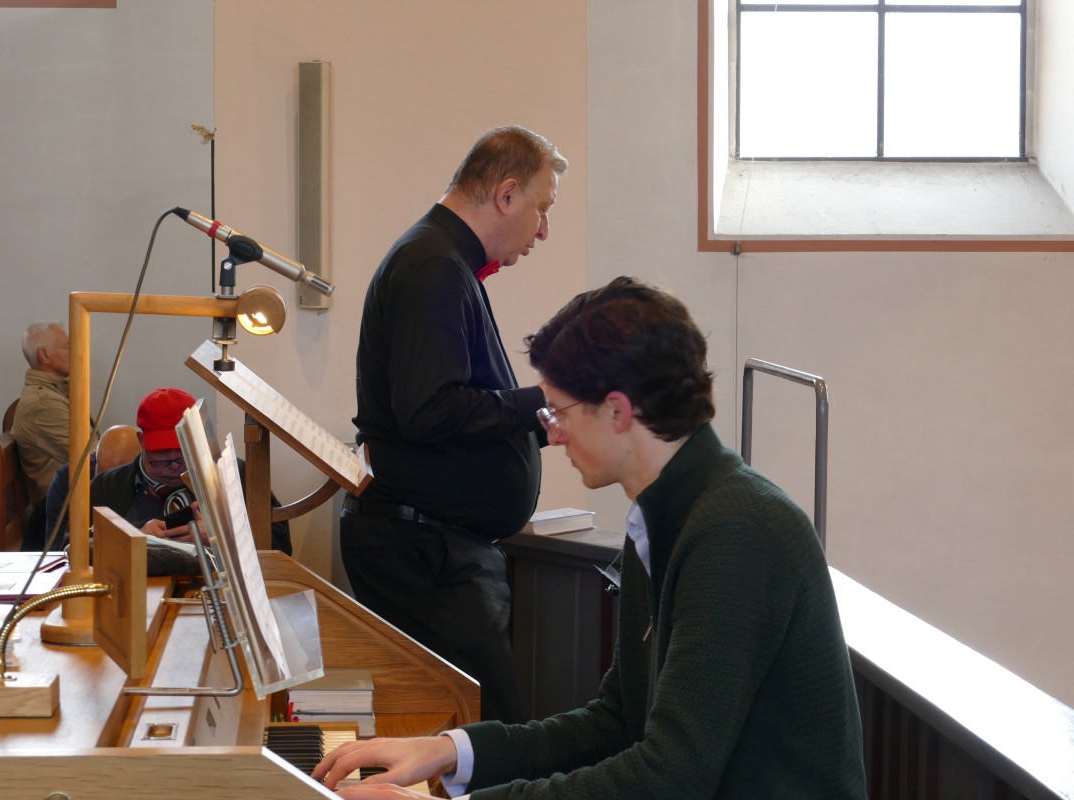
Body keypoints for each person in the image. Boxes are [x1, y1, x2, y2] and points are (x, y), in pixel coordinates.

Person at [314, 277, 866, 799]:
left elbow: (671, 777)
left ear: (618, 410)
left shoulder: (737, 531)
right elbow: (617, 721)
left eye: (558, 410)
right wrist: (450, 751)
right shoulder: (662, 515)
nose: (552, 432)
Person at [340, 125, 568, 724]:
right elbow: (429, 410)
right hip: (426, 554)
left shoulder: (442, 259)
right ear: (507, 194)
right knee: (488, 733)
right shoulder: (433, 265)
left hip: (436, 546)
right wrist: (537, 400)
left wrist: (541, 422)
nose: (544, 229)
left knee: (475, 734)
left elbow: (451, 406)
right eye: (542, 208)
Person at [89, 387, 292, 569]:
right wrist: (132, 540)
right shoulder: (105, 487)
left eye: (181, 450)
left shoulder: (236, 475)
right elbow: (76, 552)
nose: (173, 464)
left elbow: (281, 546)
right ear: (142, 442)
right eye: (161, 452)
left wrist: (221, 537)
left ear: (198, 437)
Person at [44, 424, 142, 550]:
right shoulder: (69, 480)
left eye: (119, 477)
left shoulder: (152, 480)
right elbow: (58, 547)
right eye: (103, 476)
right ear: (95, 457)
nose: (110, 485)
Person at [10, 321, 76, 504]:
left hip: (71, 499)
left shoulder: (53, 393)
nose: (76, 352)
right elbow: (93, 455)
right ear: (44, 355)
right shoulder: (43, 404)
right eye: (68, 347)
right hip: (62, 510)